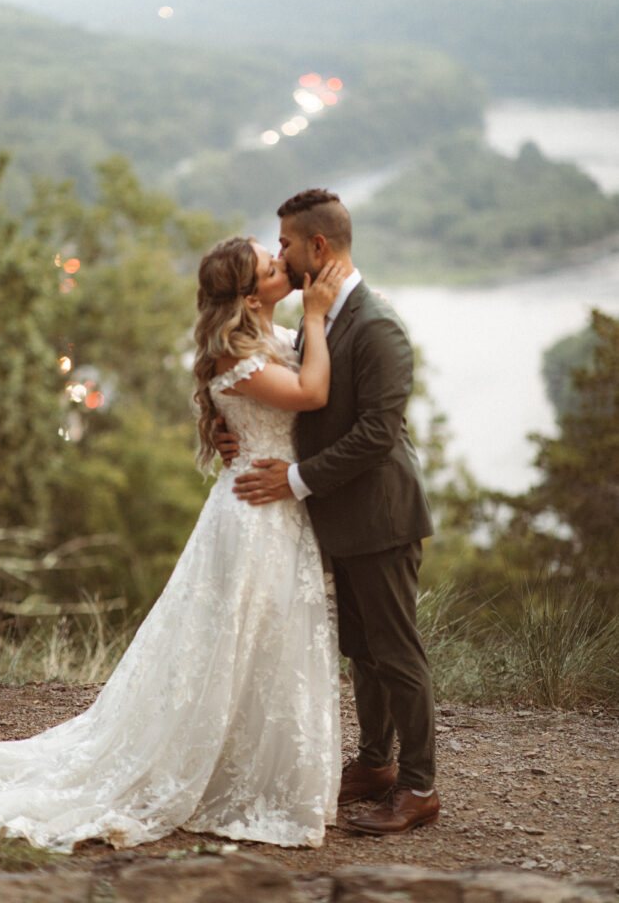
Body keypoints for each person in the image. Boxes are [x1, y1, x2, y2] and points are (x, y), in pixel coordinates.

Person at [0, 236, 345, 852]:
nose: (281, 267)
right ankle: (218, 772)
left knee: (265, 644)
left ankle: (255, 766)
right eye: (269, 265)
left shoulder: (270, 336)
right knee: (235, 641)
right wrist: (316, 313)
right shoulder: (236, 353)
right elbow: (311, 395)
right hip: (255, 515)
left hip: (276, 504)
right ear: (246, 294)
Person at [221, 190, 439, 835]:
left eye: (285, 243)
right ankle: (375, 764)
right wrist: (234, 427)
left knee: (397, 653)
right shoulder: (323, 316)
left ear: (318, 247)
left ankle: (421, 787)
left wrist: (293, 478)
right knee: (363, 651)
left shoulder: (377, 325)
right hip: (338, 517)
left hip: (381, 517)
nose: (280, 254)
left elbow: (377, 433)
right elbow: (265, 378)